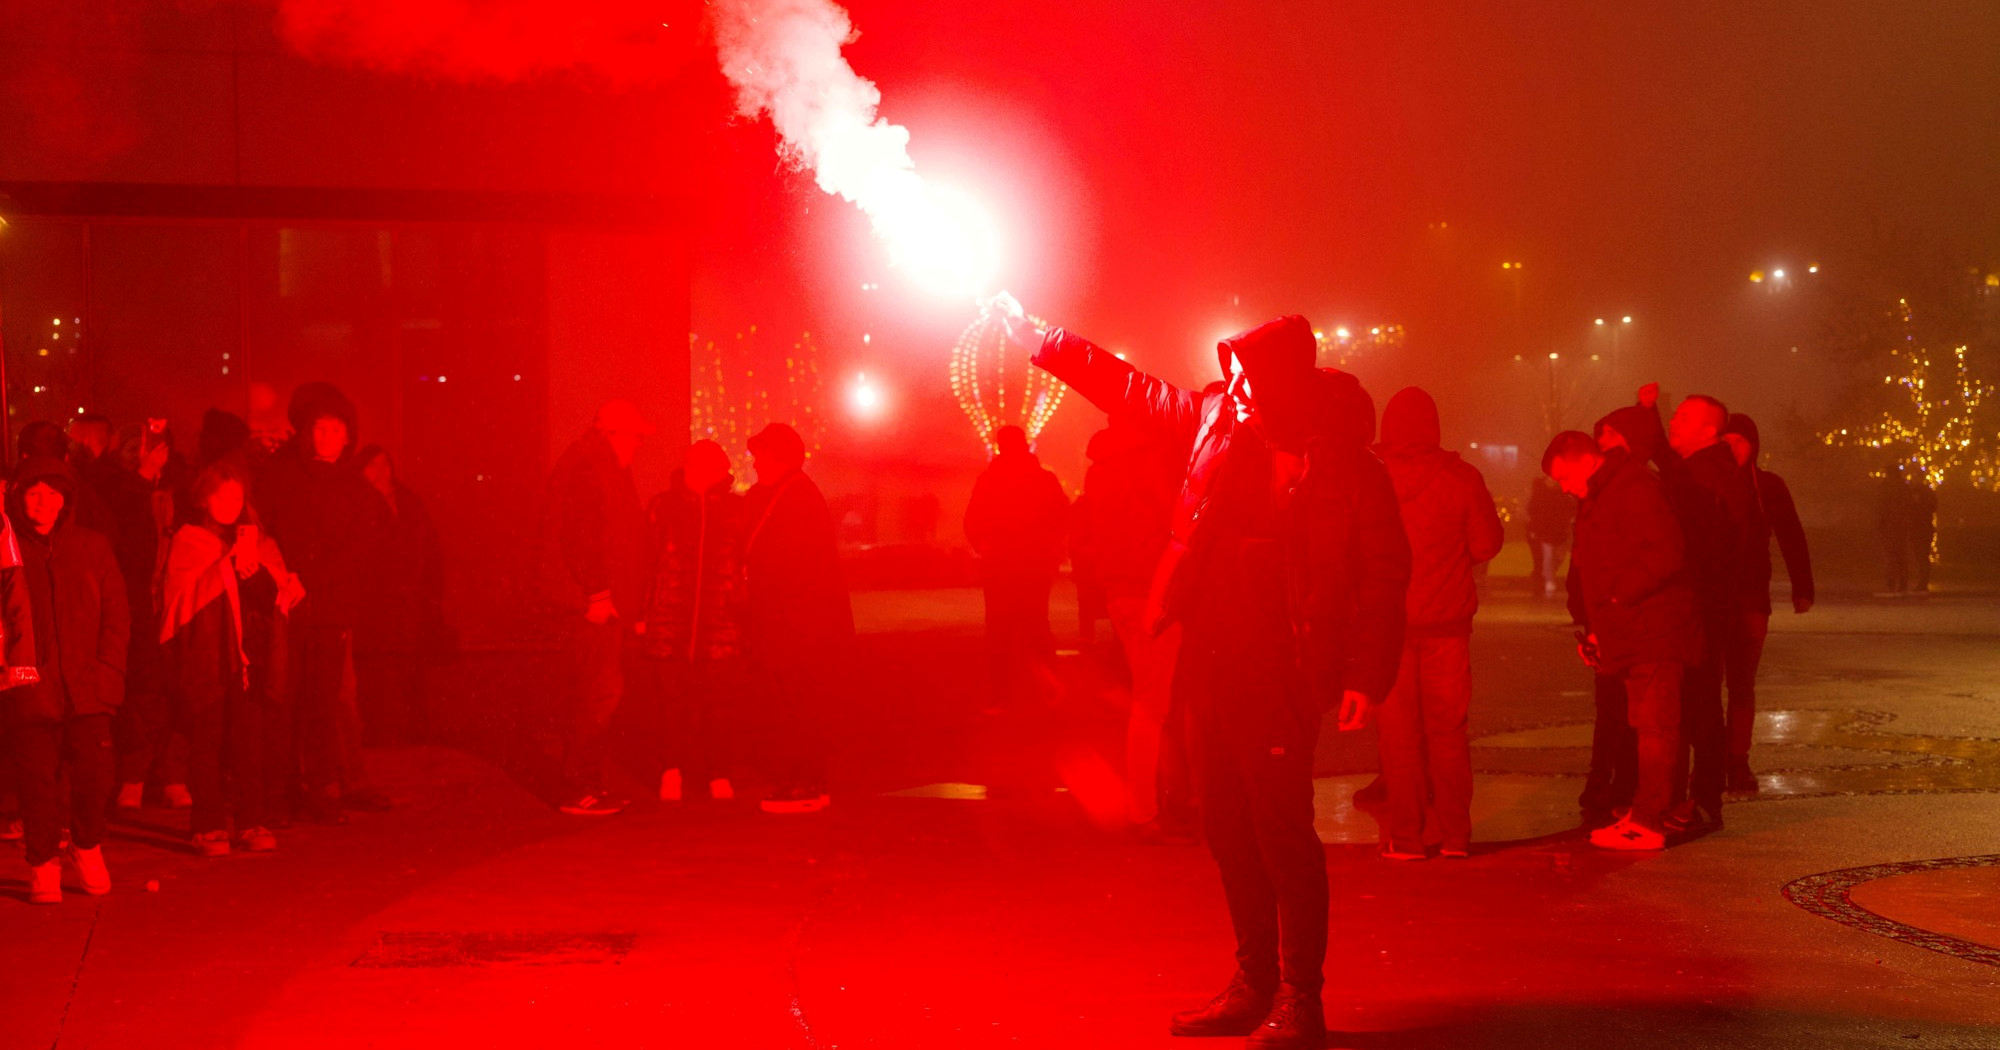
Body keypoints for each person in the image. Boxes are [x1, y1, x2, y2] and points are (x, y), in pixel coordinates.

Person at [1015, 302, 1409, 1050]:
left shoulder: (1347, 466)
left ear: (1288, 384)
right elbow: (1128, 389)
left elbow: (1384, 574)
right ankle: (1252, 982)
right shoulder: (1215, 419)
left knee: (1282, 832)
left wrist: (1366, 670)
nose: (1237, 389)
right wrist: (1046, 341)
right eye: (1234, 376)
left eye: (1252, 378)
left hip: (1284, 664)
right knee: (1226, 827)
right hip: (1213, 654)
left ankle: (1301, 998)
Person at [1545, 428, 1703, 851]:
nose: (1563, 488)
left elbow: (1667, 551)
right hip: (1635, 627)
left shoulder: (1632, 486)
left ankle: (1651, 820)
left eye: (1563, 477)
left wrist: (1619, 597)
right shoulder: (1605, 492)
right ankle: (1645, 813)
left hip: (1656, 627)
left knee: (1655, 726)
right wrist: (1600, 625)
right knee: (1645, 724)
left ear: (1582, 459)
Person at [1370, 387, 1504, 861]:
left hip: (1388, 627)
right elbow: (1486, 545)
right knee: (1448, 733)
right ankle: (1455, 835)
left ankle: (1406, 837)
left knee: (1398, 737)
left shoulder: (1373, 476)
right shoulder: (1460, 477)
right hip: (1447, 623)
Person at [254, 382, 387, 823]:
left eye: (334, 430)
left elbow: (361, 550)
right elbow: (264, 530)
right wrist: (282, 577)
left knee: (323, 701)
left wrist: (310, 579)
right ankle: (281, 787)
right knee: (283, 698)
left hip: (329, 610)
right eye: (319, 429)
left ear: (347, 436)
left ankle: (321, 787)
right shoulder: (280, 476)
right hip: (285, 606)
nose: (325, 437)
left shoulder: (356, 489)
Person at [161, 462, 305, 856]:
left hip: (248, 660)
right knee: (206, 740)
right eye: (221, 495)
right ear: (203, 499)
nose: (229, 503)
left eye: (236, 496)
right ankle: (207, 825)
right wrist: (227, 568)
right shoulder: (189, 541)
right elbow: (179, 602)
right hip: (206, 657)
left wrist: (266, 576)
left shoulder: (261, 543)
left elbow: (273, 598)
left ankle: (251, 820)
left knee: (249, 741)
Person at [8, 458, 129, 903]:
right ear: (19, 498)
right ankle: (42, 861)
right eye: (33, 492)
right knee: (36, 780)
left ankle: (87, 844)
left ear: (67, 498)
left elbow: (116, 615)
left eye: (53, 492)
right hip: (28, 685)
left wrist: (108, 672)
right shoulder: (6, 549)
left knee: (95, 775)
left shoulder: (91, 546)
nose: (44, 502)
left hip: (88, 686)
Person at [537, 399, 651, 816]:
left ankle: (584, 783)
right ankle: (578, 786)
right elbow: (584, 535)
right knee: (595, 694)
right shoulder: (592, 466)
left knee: (595, 694)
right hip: (591, 608)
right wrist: (599, 595)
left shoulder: (598, 464)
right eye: (636, 437)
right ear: (614, 434)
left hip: (594, 604)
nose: (639, 445)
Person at [1082, 417, 1190, 836]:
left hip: (1119, 591)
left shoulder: (1099, 470)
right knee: (1155, 704)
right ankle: (1145, 808)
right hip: (1154, 588)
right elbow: (1175, 520)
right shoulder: (1151, 462)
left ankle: (1158, 800)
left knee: (1149, 697)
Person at [742, 423, 852, 815]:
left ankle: (801, 784)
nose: (754, 463)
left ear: (779, 458)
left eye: (760, 455)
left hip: (795, 626)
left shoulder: (794, 498)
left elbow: (795, 569)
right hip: (799, 625)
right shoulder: (791, 494)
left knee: (795, 706)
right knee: (799, 705)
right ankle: (806, 781)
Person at [640, 440, 748, 804]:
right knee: (670, 706)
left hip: (721, 629)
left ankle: (719, 772)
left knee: (718, 706)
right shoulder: (664, 506)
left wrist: (741, 608)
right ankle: (671, 770)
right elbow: (645, 564)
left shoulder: (736, 510)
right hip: (670, 626)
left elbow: (748, 566)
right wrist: (644, 615)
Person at [1719, 414, 1814, 791]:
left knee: (1741, 683)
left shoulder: (1768, 486)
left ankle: (1737, 759)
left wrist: (1802, 587)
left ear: (1753, 445)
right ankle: (1713, 758)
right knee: (1707, 687)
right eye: (1726, 443)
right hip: (1713, 599)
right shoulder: (1708, 483)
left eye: (1739, 442)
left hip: (1751, 599)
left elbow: (1792, 534)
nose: (1732, 450)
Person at [109, 421, 189, 810]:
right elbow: (128, 539)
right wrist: (141, 479)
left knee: (175, 689)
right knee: (140, 692)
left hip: (176, 602)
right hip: (137, 605)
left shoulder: (183, 489)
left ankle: (172, 772)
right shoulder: (117, 491)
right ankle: (135, 774)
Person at [963, 425, 1070, 713]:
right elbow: (1062, 516)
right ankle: (1047, 687)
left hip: (1000, 563)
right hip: (1031, 562)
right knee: (1036, 624)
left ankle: (1003, 694)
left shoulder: (990, 480)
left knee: (1000, 629)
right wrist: (1051, 548)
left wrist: (983, 544)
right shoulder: (1043, 479)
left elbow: (972, 518)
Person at [353, 446, 445, 747]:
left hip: (409, 604)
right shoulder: (356, 505)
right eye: (371, 465)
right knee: (376, 676)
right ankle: (379, 738)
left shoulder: (410, 503)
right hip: (374, 607)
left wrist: (429, 595)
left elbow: (429, 551)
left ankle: (416, 737)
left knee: (411, 674)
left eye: (383, 463)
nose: (380, 471)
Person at [1526, 474, 1574, 599]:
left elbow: (1569, 510)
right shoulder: (1539, 496)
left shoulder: (1563, 495)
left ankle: (1548, 575)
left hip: (1559, 532)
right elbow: (1533, 513)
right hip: (1545, 532)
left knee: (1559, 556)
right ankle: (1549, 580)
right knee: (1547, 556)